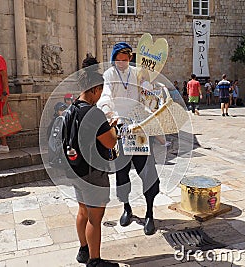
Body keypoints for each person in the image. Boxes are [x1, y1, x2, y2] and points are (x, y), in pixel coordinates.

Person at [97, 42, 160, 236]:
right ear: (114, 58)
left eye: (125, 60)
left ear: (130, 58)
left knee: (148, 171)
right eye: (119, 60)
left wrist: (152, 99)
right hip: (120, 128)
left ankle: (150, 212)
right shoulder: (109, 75)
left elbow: (147, 94)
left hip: (140, 128)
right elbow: (105, 95)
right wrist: (109, 113)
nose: (122, 63)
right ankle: (127, 207)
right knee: (121, 172)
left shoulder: (138, 73)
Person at [71, 55, 119, 267]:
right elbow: (109, 142)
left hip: (77, 169)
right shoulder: (94, 113)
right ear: (94, 89)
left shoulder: (71, 108)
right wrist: (113, 129)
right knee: (95, 218)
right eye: (100, 91)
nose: (100, 96)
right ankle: (94, 260)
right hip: (93, 171)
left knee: (82, 211)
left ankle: (83, 250)